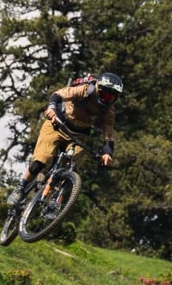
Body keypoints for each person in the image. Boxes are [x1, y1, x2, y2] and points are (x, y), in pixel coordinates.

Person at [7, 72, 124, 206]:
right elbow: (59, 94)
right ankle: (21, 187)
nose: (106, 99)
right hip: (57, 124)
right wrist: (51, 108)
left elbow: (108, 132)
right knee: (41, 159)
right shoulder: (85, 90)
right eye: (104, 95)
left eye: (111, 97)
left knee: (72, 167)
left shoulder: (109, 111)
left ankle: (56, 201)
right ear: (98, 89)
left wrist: (107, 153)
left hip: (79, 135)